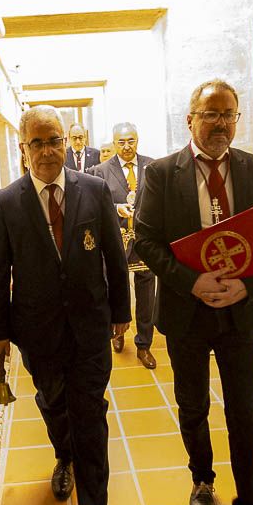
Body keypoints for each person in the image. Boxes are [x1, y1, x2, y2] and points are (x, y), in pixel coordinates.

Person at [133, 79, 253, 505]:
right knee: (193, 404)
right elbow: (146, 242)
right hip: (186, 314)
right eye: (211, 114)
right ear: (190, 119)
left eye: (230, 114)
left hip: (240, 315)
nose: (221, 123)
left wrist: (248, 284)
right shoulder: (160, 173)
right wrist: (191, 282)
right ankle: (202, 481)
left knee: (245, 412)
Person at [0, 105, 131, 505]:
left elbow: (112, 253)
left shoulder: (94, 189)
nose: (47, 151)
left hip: (89, 325)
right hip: (38, 330)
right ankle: (63, 455)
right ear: (23, 148)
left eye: (54, 141)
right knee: (52, 402)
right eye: (37, 143)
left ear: (65, 143)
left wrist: (121, 311)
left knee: (90, 410)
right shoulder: (6, 202)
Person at [91, 122, 159, 369]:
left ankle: (144, 345)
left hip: (145, 241)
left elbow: (160, 201)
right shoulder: (100, 171)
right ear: (114, 143)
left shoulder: (153, 166)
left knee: (146, 294)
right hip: (115, 241)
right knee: (116, 288)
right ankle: (117, 333)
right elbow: (94, 206)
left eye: (131, 141)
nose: (127, 146)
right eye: (121, 142)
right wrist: (115, 208)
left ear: (138, 140)